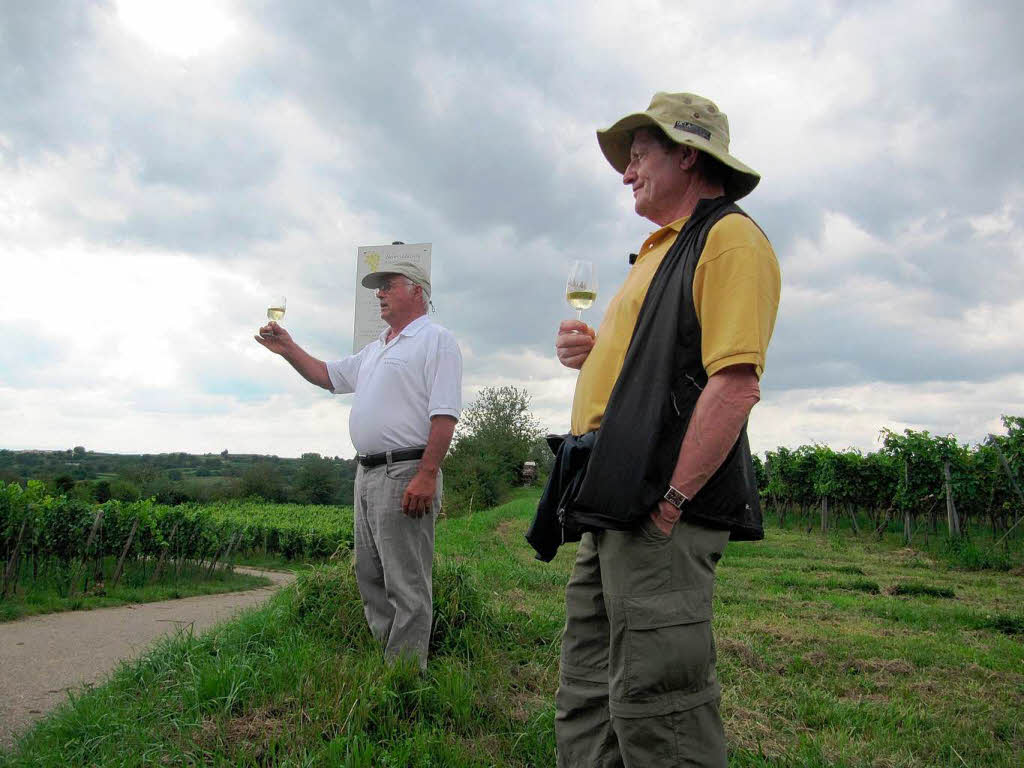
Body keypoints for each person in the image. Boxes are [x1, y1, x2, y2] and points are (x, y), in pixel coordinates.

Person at [545, 92, 781, 766]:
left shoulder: (729, 238)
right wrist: (593, 358)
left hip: (658, 507)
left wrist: (672, 504)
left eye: (639, 155)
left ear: (688, 153)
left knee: (662, 707)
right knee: (589, 691)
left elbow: (734, 385)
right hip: (612, 502)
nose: (626, 171)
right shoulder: (656, 252)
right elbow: (654, 370)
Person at [255, 260, 462, 671]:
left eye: (389, 286)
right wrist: (289, 350)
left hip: (406, 472)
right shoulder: (377, 347)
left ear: (417, 291)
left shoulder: (436, 340)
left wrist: (427, 473)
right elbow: (328, 375)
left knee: (406, 581)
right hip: (366, 474)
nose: (380, 293)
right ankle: (392, 662)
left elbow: (445, 414)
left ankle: (405, 679)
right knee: (370, 575)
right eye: (378, 288)